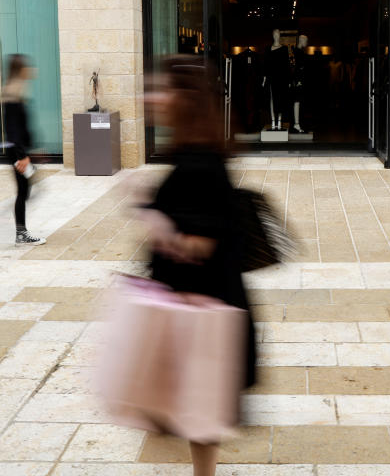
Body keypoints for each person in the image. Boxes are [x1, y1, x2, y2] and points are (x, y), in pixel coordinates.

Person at [141, 56, 255, 476]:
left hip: (201, 309)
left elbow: (199, 245)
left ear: (185, 99)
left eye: (161, 89)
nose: (151, 97)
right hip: (195, 306)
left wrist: (150, 216)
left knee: (198, 409)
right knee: (196, 411)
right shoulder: (193, 152)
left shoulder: (201, 161)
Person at [1, 54, 45, 246]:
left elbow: (22, 126)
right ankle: (21, 233)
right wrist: (22, 156)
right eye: (27, 67)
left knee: (26, 188)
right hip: (17, 152)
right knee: (23, 190)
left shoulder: (17, 89)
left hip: (20, 150)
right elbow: (13, 129)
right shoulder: (12, 93)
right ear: (20, 70)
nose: (30, 69)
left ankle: (21, 230)